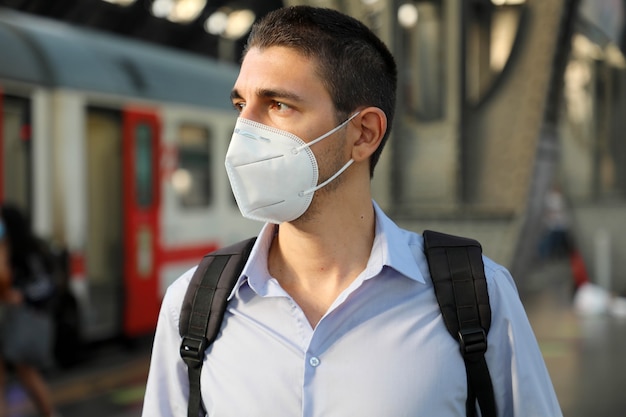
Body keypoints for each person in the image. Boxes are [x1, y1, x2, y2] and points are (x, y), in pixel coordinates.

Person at [142, 6, 562, 416]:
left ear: (363, 134)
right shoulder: (191, 307)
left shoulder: (479, 295)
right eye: (241, 106)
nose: (244, 130)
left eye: (279, 105)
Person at [0, 204, 58, 417]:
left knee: (26, 372)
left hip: (19, 320)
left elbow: (45, 286)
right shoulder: (9, 248)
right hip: (8, 319)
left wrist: (22, 295)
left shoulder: (27, 252)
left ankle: (49, 413)